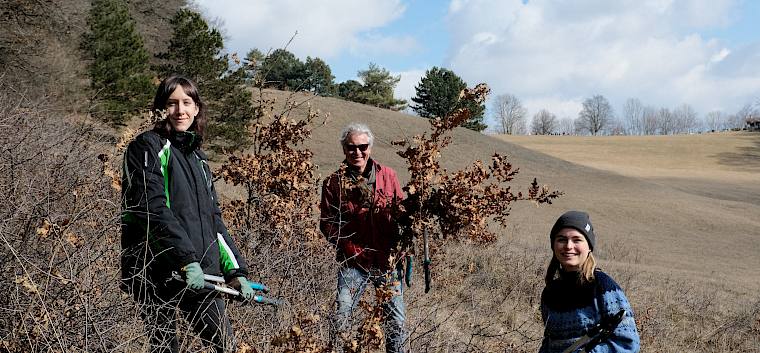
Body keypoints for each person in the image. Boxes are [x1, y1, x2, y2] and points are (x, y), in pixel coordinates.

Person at [120, 75, 255, 353]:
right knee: (164, 348)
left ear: (196, 109)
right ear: (160, 109)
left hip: (201, 273)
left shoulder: (199, 160)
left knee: (225, 345)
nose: (180, 110)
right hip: (155, 271)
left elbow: (214, 221)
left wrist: (235, 270)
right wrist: (186, 259)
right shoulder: (146, 147)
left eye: (186, 102)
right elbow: (151, 208)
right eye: (171, 103)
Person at [319, 123, 407, 353]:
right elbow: (327, 224)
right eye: (351, 147)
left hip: (386, 261)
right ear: (344, 149)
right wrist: (349, 247)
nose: (357, 152)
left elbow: (402, 215)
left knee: (396, 321)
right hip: (353, 262)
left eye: (362, 146)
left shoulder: (389, 176)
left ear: (370, 147)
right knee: (342, 317)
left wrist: (405, 239)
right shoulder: (333, 183)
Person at [539, 210, 640, 353]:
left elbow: (628, 344)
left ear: (589, 247)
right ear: (553, 245)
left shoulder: (603, 287)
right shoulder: (550, 292)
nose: (568, 246)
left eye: (577, 240)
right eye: (561, 239)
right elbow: (550, 342)